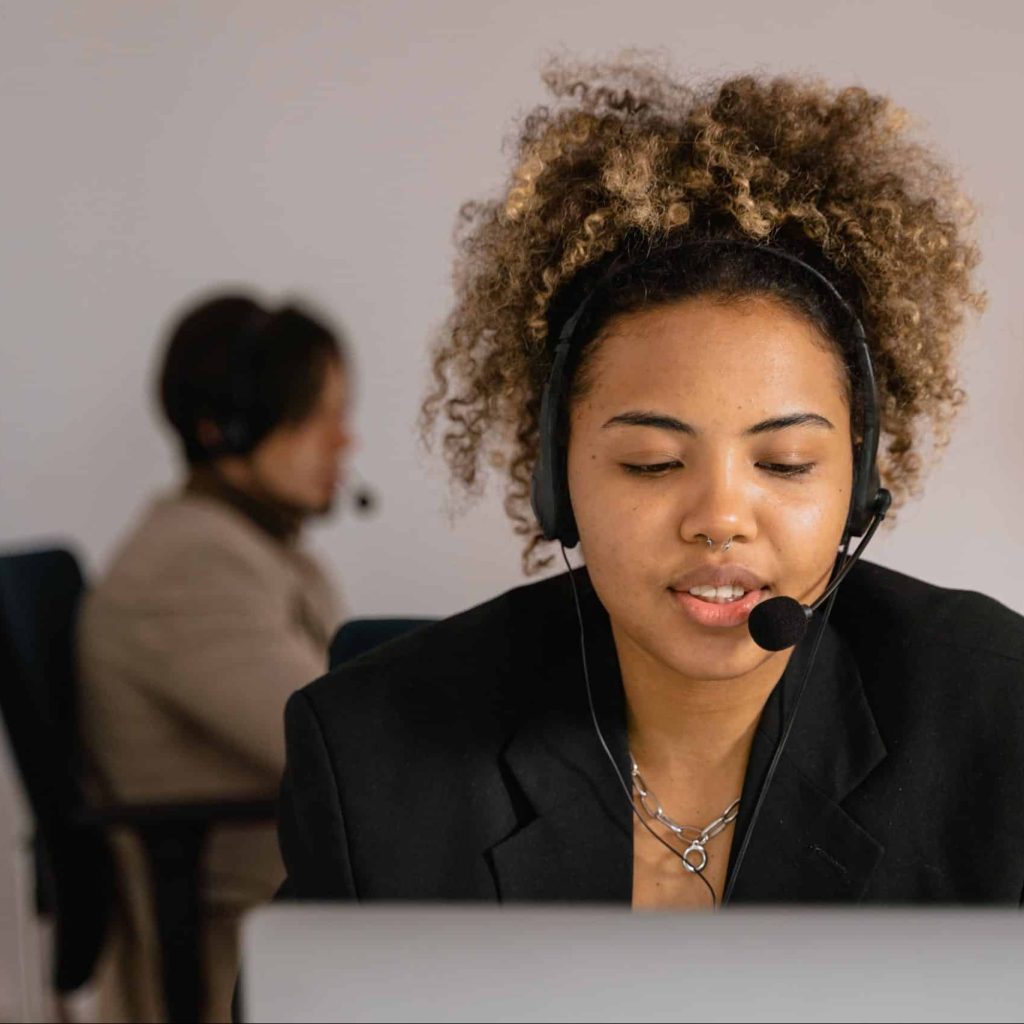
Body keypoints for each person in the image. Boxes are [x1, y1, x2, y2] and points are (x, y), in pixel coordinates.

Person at [275, 61, 1024, 913]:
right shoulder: (372, 759)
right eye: (652, 464)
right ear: (557, 476)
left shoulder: (1001, 724)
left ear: (860, 488)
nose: (720, 520)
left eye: (783, 464)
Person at [79, 292, 353, 1021]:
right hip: (248, 945)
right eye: (314, 415)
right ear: (225, 430)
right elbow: (340, 747)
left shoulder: (247, 547)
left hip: (294, 911)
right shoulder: (191, 565)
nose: (343, 440)